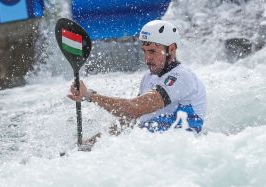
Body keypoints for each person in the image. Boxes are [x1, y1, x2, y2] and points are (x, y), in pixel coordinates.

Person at [68, 20, 206, 141]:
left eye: (152, 51)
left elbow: (133, 109)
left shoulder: (183, 76)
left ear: (171, 49)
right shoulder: (148, 77)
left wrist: (89, 95)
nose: (147, 59)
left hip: (177, 152)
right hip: (151, 149)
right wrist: (91, 144)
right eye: (144, 51)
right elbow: (129, 120)